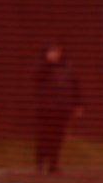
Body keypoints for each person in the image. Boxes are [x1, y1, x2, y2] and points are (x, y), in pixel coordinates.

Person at [34, 42, 82, 175]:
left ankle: (53, 165)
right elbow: (36, 77)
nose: (55, 54)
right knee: (44, 136)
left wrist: (78, 104)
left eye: (57, 51)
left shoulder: (68, 68)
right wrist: (48, 63)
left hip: (62, 109)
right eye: (52, 51)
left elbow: (75, 87)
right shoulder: (42, 67)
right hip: (45, 109)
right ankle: (40, 164)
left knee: (58, 138)